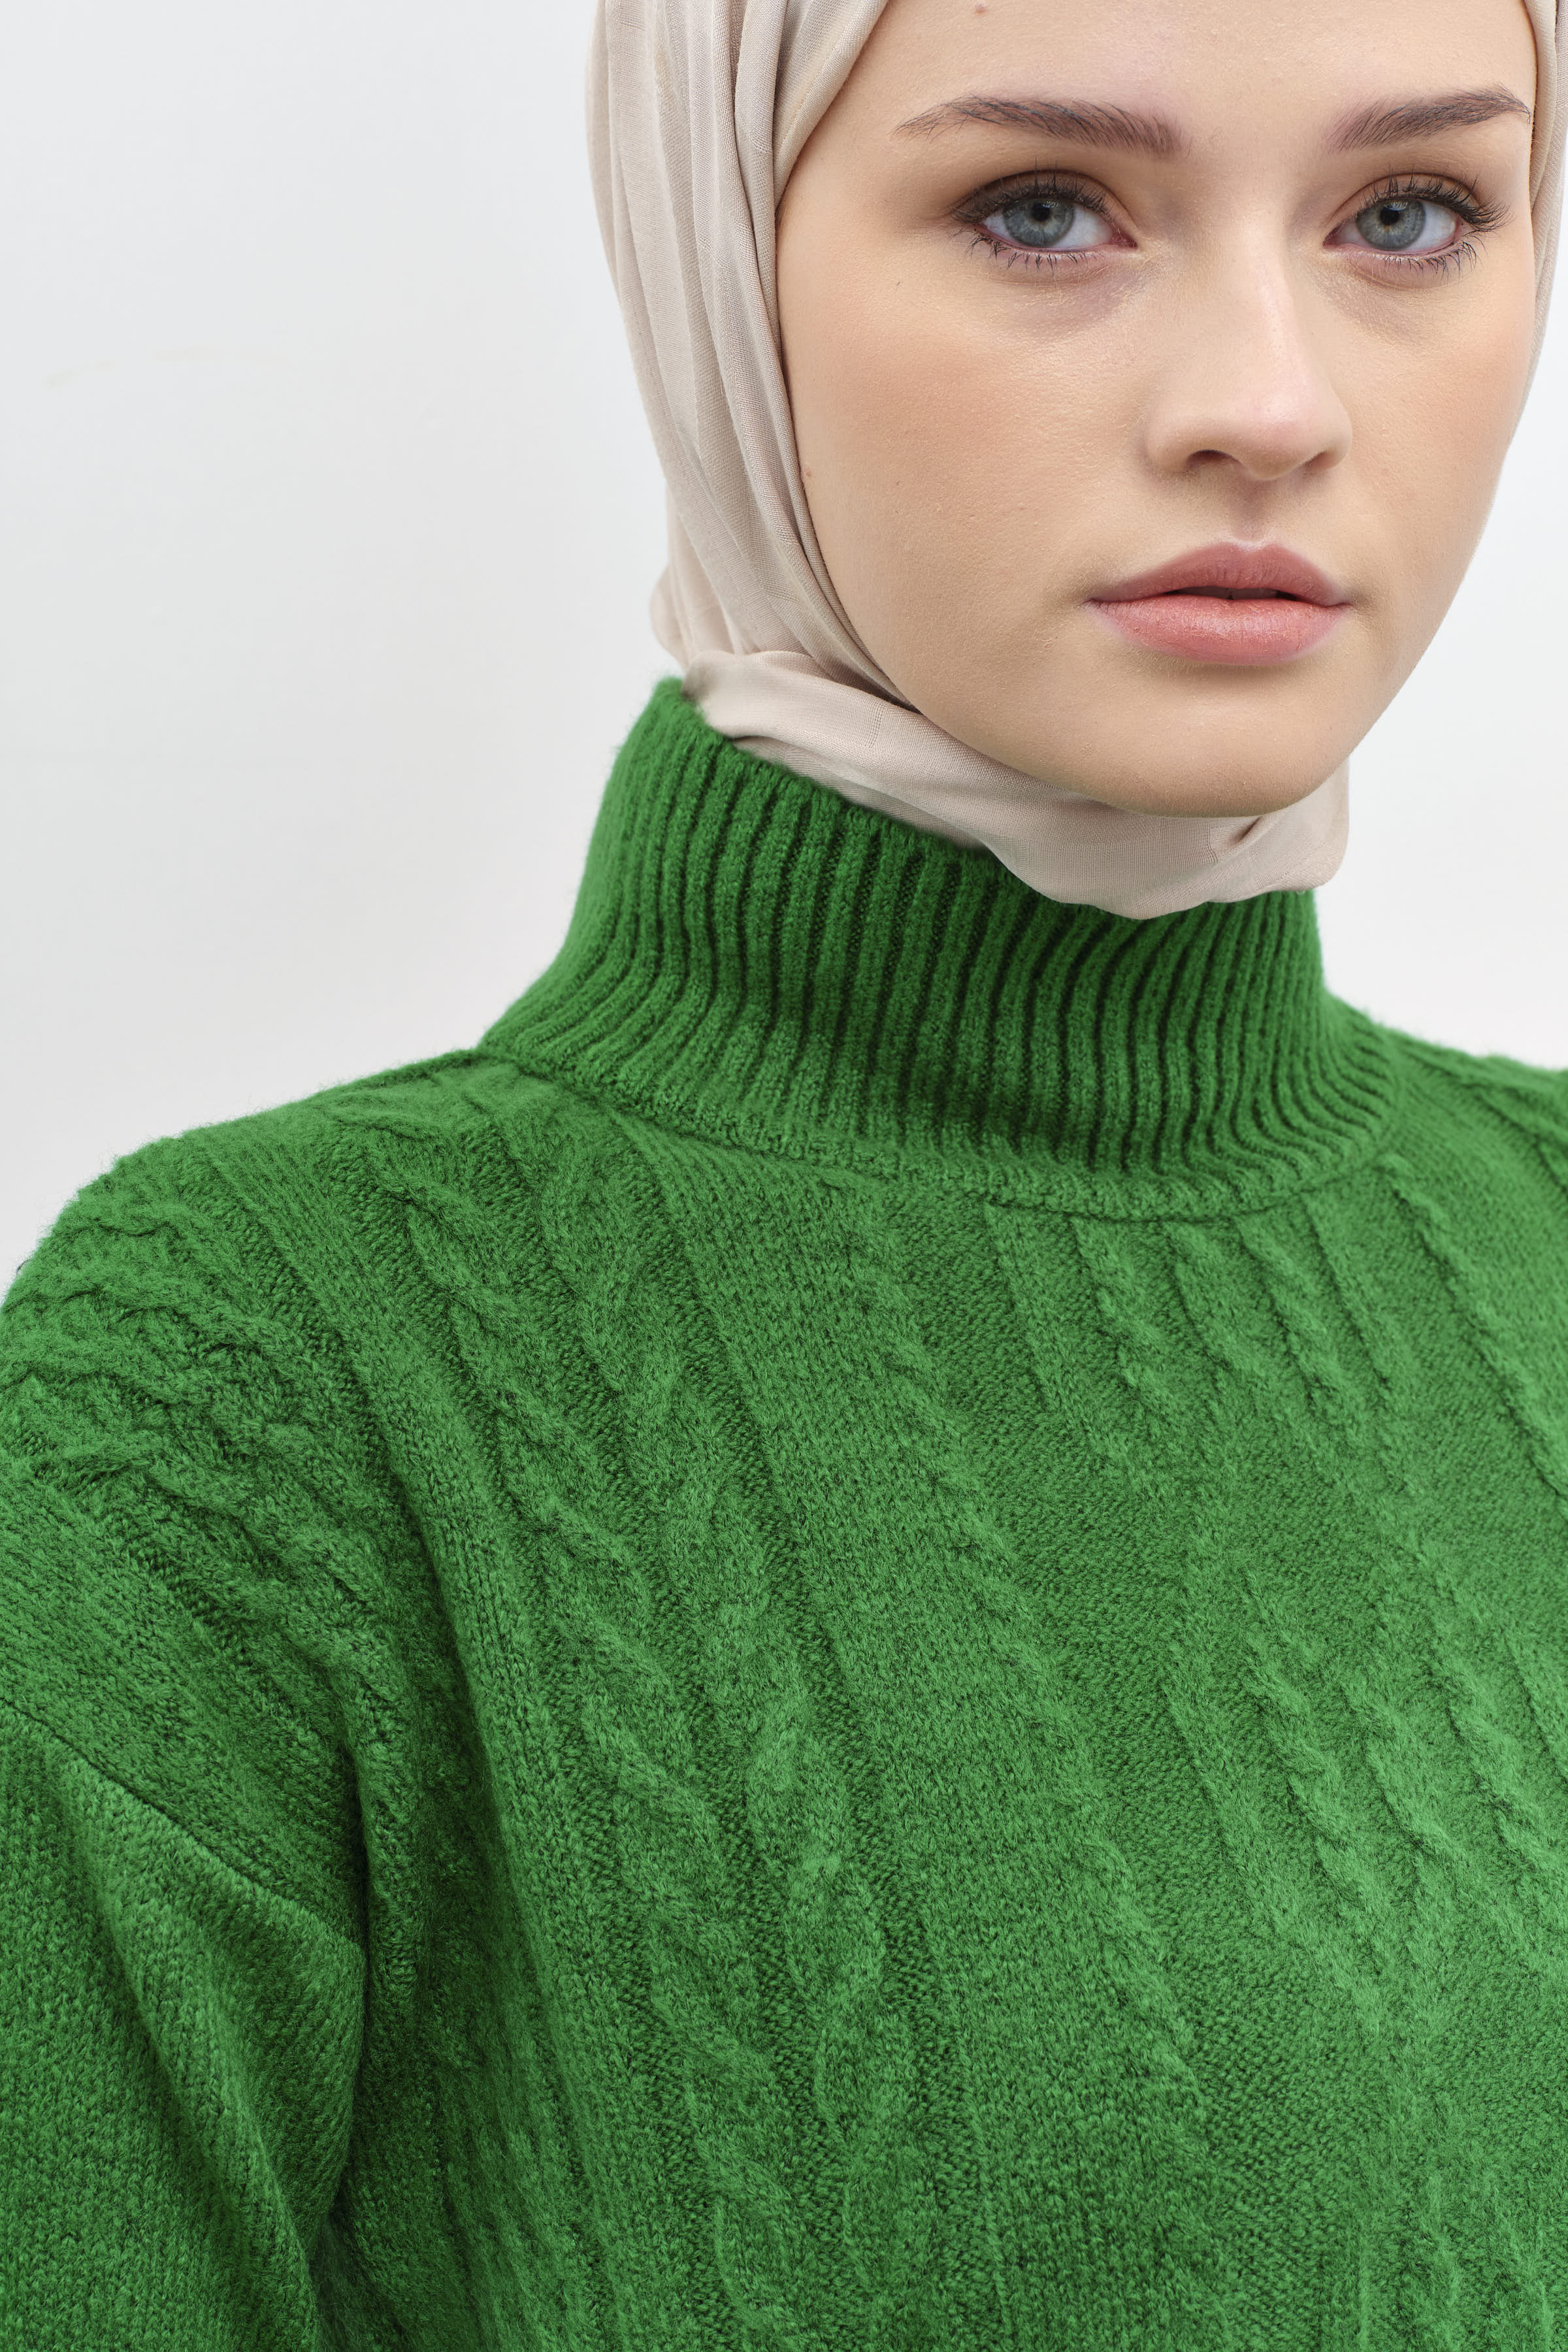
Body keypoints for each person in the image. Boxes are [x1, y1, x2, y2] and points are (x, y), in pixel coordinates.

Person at [3, 0, 1566, 2340]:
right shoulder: (247, 1401)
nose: (1270, 399)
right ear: (721, 262)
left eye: (1411, 214)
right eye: (1043, 209)